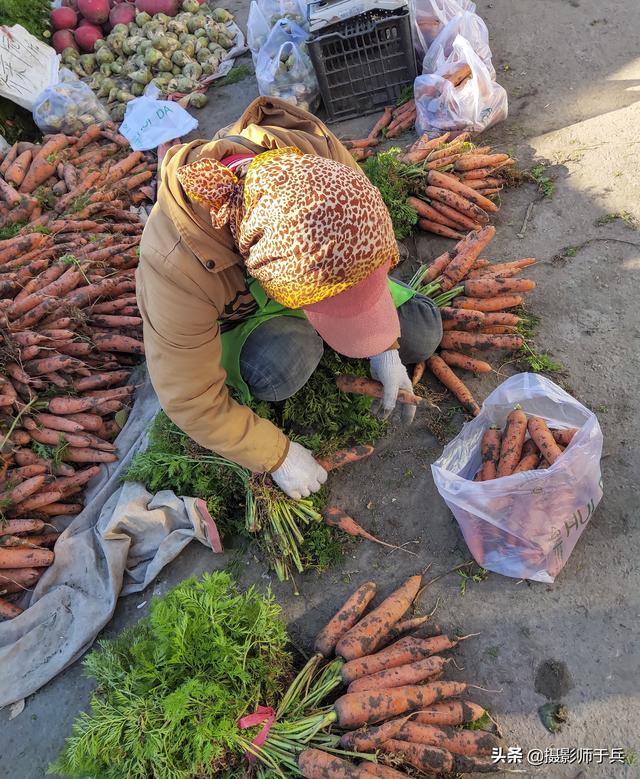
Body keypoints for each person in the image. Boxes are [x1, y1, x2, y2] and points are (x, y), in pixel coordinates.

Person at [136, 97, 442, 500]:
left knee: (421, 332)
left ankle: (343, 323)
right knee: (284, 363)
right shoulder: (174, 266)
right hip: (244, 312)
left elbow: (356, 255)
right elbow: (189, 397)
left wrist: (384, 347)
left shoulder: (319, 156)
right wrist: (276, 456)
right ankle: (303, 330)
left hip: (314, 272)